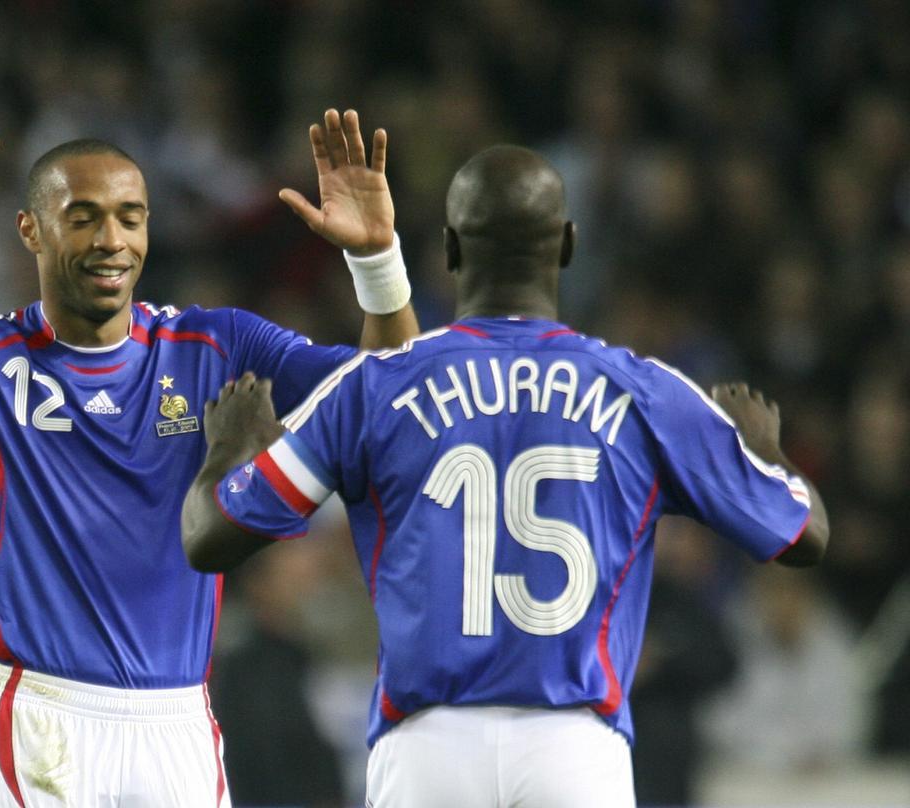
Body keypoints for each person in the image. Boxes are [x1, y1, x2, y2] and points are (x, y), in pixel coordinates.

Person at [0, 58, 419, 807]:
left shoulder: (217, 346)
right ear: (32, 230)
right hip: (38, 715)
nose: (111, 239)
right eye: (82, 216)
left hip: (178, 717)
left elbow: (394, 397)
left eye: (130, 216)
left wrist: (376, 258)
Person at [182, 144, 829, 807]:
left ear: (452, 250)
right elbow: (803, 534)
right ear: (569, 245)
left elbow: (211, 536)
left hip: (425, 751)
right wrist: (765, 449)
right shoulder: (645, 393)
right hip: (575, 752)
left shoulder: (376, 385)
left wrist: (228, 450)